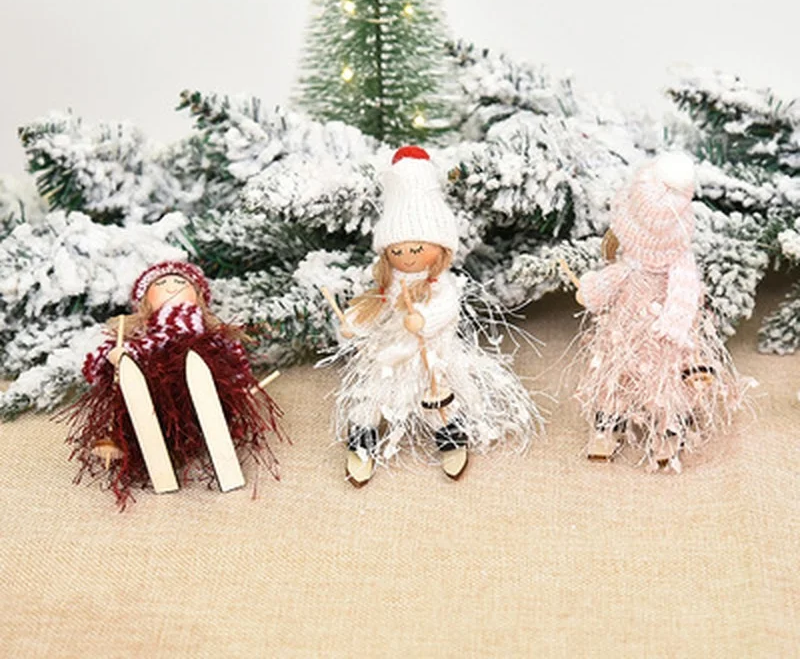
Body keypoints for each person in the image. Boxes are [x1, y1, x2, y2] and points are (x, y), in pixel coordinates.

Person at [332, 146, 542, 486]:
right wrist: (353, 324)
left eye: (417, 249)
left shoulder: (439, 285)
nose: (407, 257)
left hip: (429, 355)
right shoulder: (388, 285)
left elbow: (447, 308)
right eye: (397, 250)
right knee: (370, 396)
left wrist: (424, 321)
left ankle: (450, 436)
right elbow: (373, 308)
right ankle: (361, 439)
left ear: (440, 248)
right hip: (389, 353)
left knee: (435, 398)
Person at [572, 153, 751, 471]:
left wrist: (587, 291)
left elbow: (602, 289)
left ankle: (667, 426)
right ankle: (612, 422)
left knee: (658, 379)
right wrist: (591, 291)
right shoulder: (640, 268)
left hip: (652, 335)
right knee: (624, 375)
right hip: (631, 333)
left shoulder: (672, 269)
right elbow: (605, 285)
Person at [67, 260, 282, 506]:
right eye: (161, 283)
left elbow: (234, 358)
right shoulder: (144, 337)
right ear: (145, 301)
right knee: (147, 391)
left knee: (207, 382)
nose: (171, 287)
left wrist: (240, 388)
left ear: (199, 296)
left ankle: (216, 435)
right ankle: (153, 446)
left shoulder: (211, 335)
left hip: (201, 383)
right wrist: (115, 356)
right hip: (158, 391)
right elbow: (100, 362)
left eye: (180, 282)